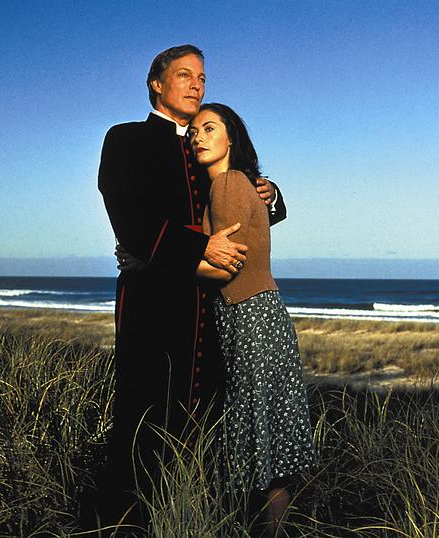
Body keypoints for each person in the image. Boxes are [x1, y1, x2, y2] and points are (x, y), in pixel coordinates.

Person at [96, 45, 286, 531]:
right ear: (156, 84)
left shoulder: (205, 145)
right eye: (184, 75)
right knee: (144, 413)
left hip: (213, 306)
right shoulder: (126, 139)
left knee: (210, 417)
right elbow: (131, 217)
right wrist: (198, 248)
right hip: (153, 302)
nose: (196, 84)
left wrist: (271, 195)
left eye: (201, 77)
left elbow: (240, 206)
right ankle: (128, 524)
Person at [190, 103, 315, 537]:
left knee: (256, 430)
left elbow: (228, 266)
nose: (198, 137)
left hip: (248, 318)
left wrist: (155, 265)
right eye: (194, 132)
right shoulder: (234, 183)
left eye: (209, 129)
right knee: (269, 436)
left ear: (231, 139)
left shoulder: (226, 185)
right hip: (262, 315)